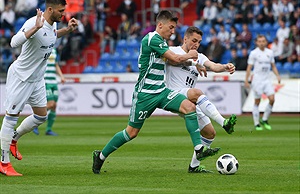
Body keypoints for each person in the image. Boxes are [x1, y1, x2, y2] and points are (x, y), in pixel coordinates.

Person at [92, 10, 219, 174]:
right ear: (160, 25)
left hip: (161, 91)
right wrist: (192, 56)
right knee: (131, 132)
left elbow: (174, 62)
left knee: (189, 107)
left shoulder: (162, 42)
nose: (173, 31)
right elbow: (175, 59)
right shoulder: (152, 38)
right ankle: (101, 156)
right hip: (145, 94)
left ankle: (199, 148)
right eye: (171, 27)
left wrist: (194, 64)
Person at [0, 0, 78, 176]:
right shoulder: (33, 22)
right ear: (50, 9)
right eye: (61, 11)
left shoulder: (54, 24)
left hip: (37, 79)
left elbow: (50, 36)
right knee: (11, 118)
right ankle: (3, 163)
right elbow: (13, 42)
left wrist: (67, 30)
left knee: (41, 116)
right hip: (21, 77)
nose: (63, 14)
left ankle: (14, 138)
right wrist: (34, 28)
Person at [165, 26, 237, 173]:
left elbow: (213, 66)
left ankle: (194, 166)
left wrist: (225, 66)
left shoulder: (200, 56)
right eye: (194, 40)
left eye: (199, 42)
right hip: (174, 95)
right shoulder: (174, 51)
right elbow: (172, 61)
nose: (196, 44)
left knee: (210, 133)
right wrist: (193, 62)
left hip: (189, 99)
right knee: (197, 92)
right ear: (185, 39)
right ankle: (224, 123)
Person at [245, 35, 281, 131]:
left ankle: (264, 119)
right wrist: (246, 80)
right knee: (257, 101)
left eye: (263, 41)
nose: (262, 43)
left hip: (267, 80)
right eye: (260, 41)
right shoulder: (254, 53)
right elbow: (249, 68)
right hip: (257, 80)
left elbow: (273, 66)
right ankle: (257, 123)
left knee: (272, 99)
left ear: (266, 42)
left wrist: (277, 75)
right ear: (256, 42)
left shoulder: (270, 52)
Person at [33, 49, 66, 136]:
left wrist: (61, 76)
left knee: (54, 106)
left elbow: (56, 65)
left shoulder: (54, 50)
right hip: (46, 81)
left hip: (54, 82)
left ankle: (48, 130)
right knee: (50, 104)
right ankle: (34, 121)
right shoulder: (43, 49)